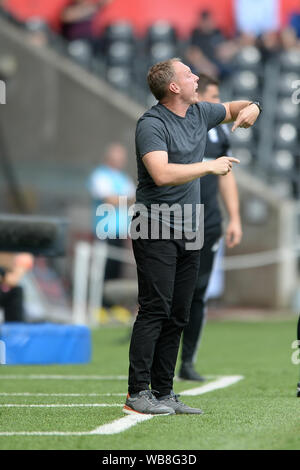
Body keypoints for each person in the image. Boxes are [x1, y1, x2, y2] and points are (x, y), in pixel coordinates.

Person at [123, 57, 261, 416]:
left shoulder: (201, 112)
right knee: (155, 308)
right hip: (153, 224)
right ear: (173, 87)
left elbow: (240, 106)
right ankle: (137, 393)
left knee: (180, 312)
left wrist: (255, 109)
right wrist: (209, 166)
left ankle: (164, 392)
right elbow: (162, 174)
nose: (196, 77)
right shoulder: (150, 124)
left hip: (190, 224)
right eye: (188, 74)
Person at [179, 74, 243, 381]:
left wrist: (235, 217)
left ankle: (187, 361)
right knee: (169, 293)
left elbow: (227, 175)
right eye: (215, 97)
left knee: (198, 293)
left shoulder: (218, 134)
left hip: (209, 222)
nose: (219, 103)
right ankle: (155, 361)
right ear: (199, 97)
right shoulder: (179, 125)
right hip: (176, 220)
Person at [87, 142, 135, 322]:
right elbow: (109, 199)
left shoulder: (123, 178)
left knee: (117, 270)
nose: (120, 161)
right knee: (103, 270)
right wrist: (125, 199)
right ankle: (99, 306)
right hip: (104, 230)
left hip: (121, 231)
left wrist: (122, 199)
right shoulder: (99, 176)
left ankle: (114, 306)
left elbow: (131, 198)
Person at [0, 253, 34, 322]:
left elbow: (13, 280)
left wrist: (3, 276)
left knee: (16, 291)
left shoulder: (23, 253)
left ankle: (14, 327)